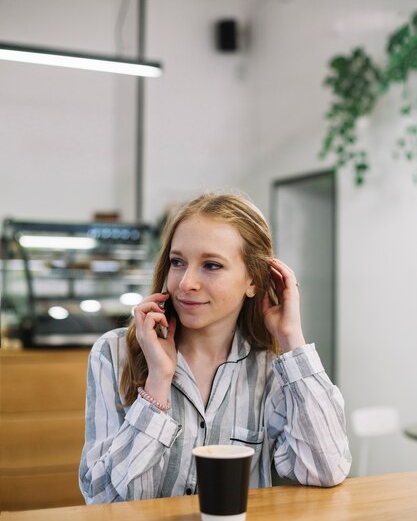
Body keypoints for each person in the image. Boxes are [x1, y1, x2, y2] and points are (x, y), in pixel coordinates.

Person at [79, 192, 351, 504]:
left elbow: (326, 469)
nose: (185, 283)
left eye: (211, 265)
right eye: (178, 262)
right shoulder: (114, 354)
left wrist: (292, 340)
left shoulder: (269, 369)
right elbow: (103, 501)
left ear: (253, 280)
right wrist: (157, 384)